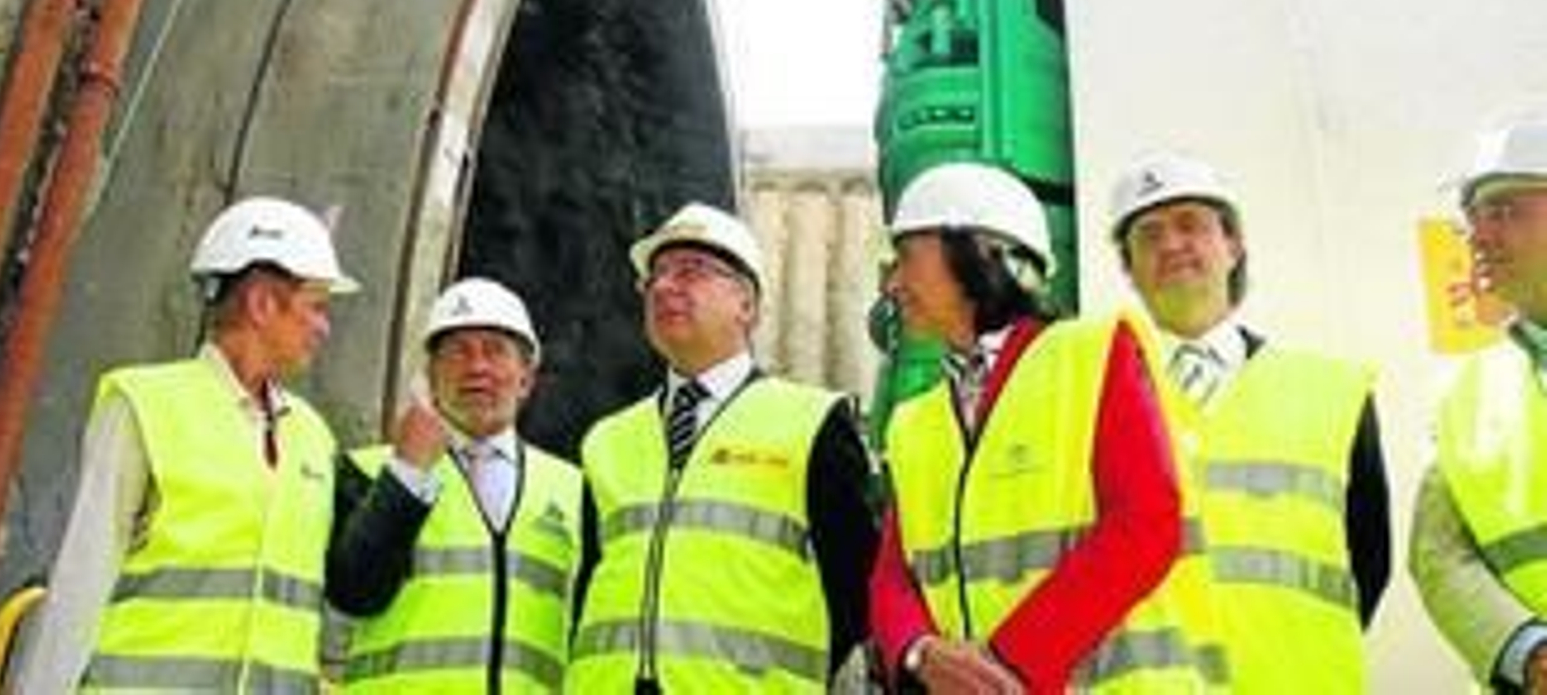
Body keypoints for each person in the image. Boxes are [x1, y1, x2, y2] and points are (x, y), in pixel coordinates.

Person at [870, 161, 1220, 694]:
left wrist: (1009, 664)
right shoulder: (913, 423)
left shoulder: (1091, 352)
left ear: (976, 253)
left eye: (907, 257)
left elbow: (1147, 521)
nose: (893, 283)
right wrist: (919, 651)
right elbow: (893, 575)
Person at [12, 196, 358, 691]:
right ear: (261, 304)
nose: (325, 328)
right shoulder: (146, 406)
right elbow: (81, 580)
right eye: (316, 307)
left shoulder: (313, 436)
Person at [566, 202, 878, 692]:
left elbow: (857, 588)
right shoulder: (607, 439)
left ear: (747, 305)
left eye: (691, 271)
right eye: (656, 277)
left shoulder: (812, 423)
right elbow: (584, 587)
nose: (665, 287)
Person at [1110, 153, 1391, 692]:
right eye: (1148, 234)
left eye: (1191, 224)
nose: (1171, 244)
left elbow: (1369, 561)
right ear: (1129, 268)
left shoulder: (1334, 391)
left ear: (1233, 245)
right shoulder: (1096, 398)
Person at [326, 277, 581, 692]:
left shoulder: (575, 490)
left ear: (526, 379)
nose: (476, 367)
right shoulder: (366, 473)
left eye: (495, 351)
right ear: (429, 374)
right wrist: (406, 475)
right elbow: (353, 593)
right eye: (458, 351)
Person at [1411, 118, 1547, 693]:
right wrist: (1529, 651)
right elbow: (1438, 554)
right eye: (1474, 219)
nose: (1478, 237)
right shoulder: (1463, 394)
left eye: (1505, 211)